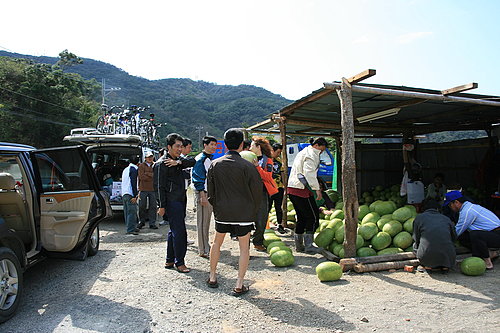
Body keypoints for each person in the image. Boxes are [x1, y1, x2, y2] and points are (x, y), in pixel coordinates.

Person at [207, 128, 262, 296]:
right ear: (241, 145)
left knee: (217, 243)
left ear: (225, 144)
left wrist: (217, 207)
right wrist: (252, 211)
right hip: (244, 213)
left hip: (223, 212)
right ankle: (239, 284)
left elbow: (211, 192)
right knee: (244, 248)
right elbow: (257, 192)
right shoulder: (248, 166)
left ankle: (212, 277)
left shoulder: (215, 164)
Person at [154, 133, 196, 273]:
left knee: (173, 231)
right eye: (177, 146)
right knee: (180, 232)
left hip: (180, 199)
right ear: (169, 147)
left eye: (181, 146)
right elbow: (159, 186)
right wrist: (161, 205)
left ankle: (170, 260)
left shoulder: (178, 160)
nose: (179, 149)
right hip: (171, 201)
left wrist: (178, 162)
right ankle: (180, 262)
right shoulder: (161, 164)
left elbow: (192, 161)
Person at [288, 137, 328, 253]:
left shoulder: (304, 151)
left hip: (293, 188)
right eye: (321, 149)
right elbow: (309, 173)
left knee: (301, 217)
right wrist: (317, 189)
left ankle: (299, 246)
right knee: (313, 217)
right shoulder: (312, 154)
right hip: (301, 189)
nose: (321, 152)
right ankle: (309, 246)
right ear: (317, 145)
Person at [444, 190, 500, 269]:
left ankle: (487, 262)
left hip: (497, 234)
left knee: (475, 234)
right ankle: (487, 254)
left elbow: (457, 231)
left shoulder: (467, 211)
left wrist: (443, 241)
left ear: (456, 202)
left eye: (450, 205)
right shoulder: (469, 207)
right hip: (491, 234)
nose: (450, 208)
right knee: (464, 237)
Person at [250, 137, 278, 251]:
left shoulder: (268, 161)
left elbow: (267, 176)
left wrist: (257, 167)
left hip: (262, 192)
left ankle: (258, 242)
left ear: (258, 147)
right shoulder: (248, 158)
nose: (250, 148)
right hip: (249, 192)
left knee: (261, 218)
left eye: (252, 146)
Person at [413, 198, 456, 272]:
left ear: (423, 208)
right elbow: (454, 237)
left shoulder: (419, 218)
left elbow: (416, 238)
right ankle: (444, 266)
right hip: (449, 257)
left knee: (415, 245)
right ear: (437, 209)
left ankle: (428, 265)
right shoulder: (446, 218)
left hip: (426, 256)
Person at [192, 135, 217, 258]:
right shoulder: (200, 159)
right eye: (211, 144)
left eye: (215, 145)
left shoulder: (209, 159)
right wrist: (202, 195)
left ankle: (205, 247)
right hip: (203, 194)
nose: (213, 147)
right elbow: (197, 178)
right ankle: (203, 250)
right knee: (202, 223)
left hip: (208, 194)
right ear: (205, 145)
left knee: (206, 222)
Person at [269, 143, 287, 234]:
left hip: (278, 188)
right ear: (272, 150)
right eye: (278, 152)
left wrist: (285, 186)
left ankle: (280, 225)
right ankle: (265, 225)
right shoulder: (266, 159)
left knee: (278, 207)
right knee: (267, 207)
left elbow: (283, 173)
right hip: (268, 188)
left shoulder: (279, 161)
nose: (279, 154)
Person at [137, 151, 158, 229]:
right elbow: (141, 177)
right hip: (143, 189)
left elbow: (156, 176)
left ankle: (152, 223)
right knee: (142, 206)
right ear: (145, 158)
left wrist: (147, 173)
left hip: (153, 189)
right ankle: (141, 222)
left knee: (153, 206)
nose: (150, 158)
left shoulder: (155, 165)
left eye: (151, 157)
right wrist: (151, 175)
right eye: (148, 157)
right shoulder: (141, 166)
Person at [121, 156, 140, 235]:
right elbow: (133, 182)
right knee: (132, 212)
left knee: (127, 212)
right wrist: (135, 195)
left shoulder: (125, 169)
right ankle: (130, 229)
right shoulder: (134, 169)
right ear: (138, 163)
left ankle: (131, 227)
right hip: (130, 193)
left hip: (124, 193)